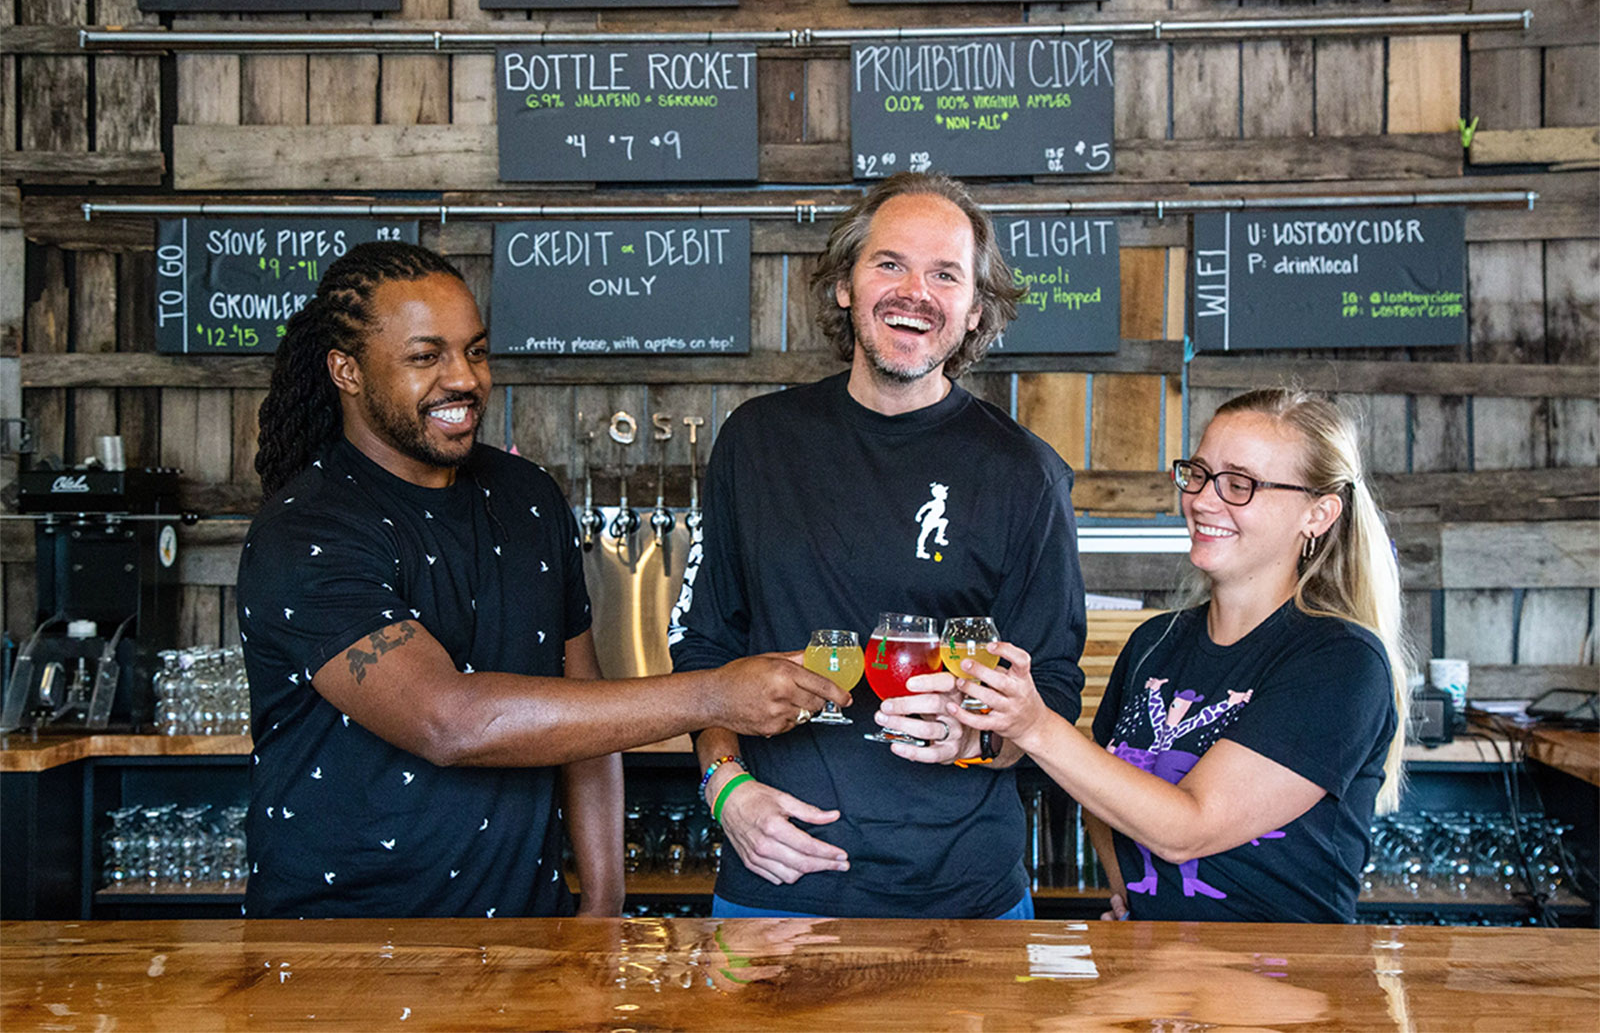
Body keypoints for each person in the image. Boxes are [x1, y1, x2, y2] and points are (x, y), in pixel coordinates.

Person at [238, 241, 842, 919]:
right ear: (345, 370)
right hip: (337, 955)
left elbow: (583, 716)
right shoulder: (308, 530)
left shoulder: (525, 497)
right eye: (425, 356)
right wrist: (710, 695)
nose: (462, 378)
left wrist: (604, 906)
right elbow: (449, 719)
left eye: (475, 351)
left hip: (528, 940)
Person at [669, 172, 1087, 919]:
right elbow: (706, 648)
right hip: (777, 882)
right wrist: (725, 787)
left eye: (944, 274)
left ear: (975, 312)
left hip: (967, 898)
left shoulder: (1026, 474)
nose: (913, 291)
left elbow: (1051, 687)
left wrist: (979, 738)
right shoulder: (756, 442)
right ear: (845, 286)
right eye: (890, 263)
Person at [917, 389, 1410, 922]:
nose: (1202, 500)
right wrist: (1135, 893)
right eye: (1198, 473)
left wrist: (1035, 727)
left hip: (1286, 985)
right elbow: (1100, 791)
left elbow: (1189, 828)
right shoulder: (1155, 643)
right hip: (1162, 982)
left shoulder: (1340, 662)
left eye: (1239, 484)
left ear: (1318, 513)